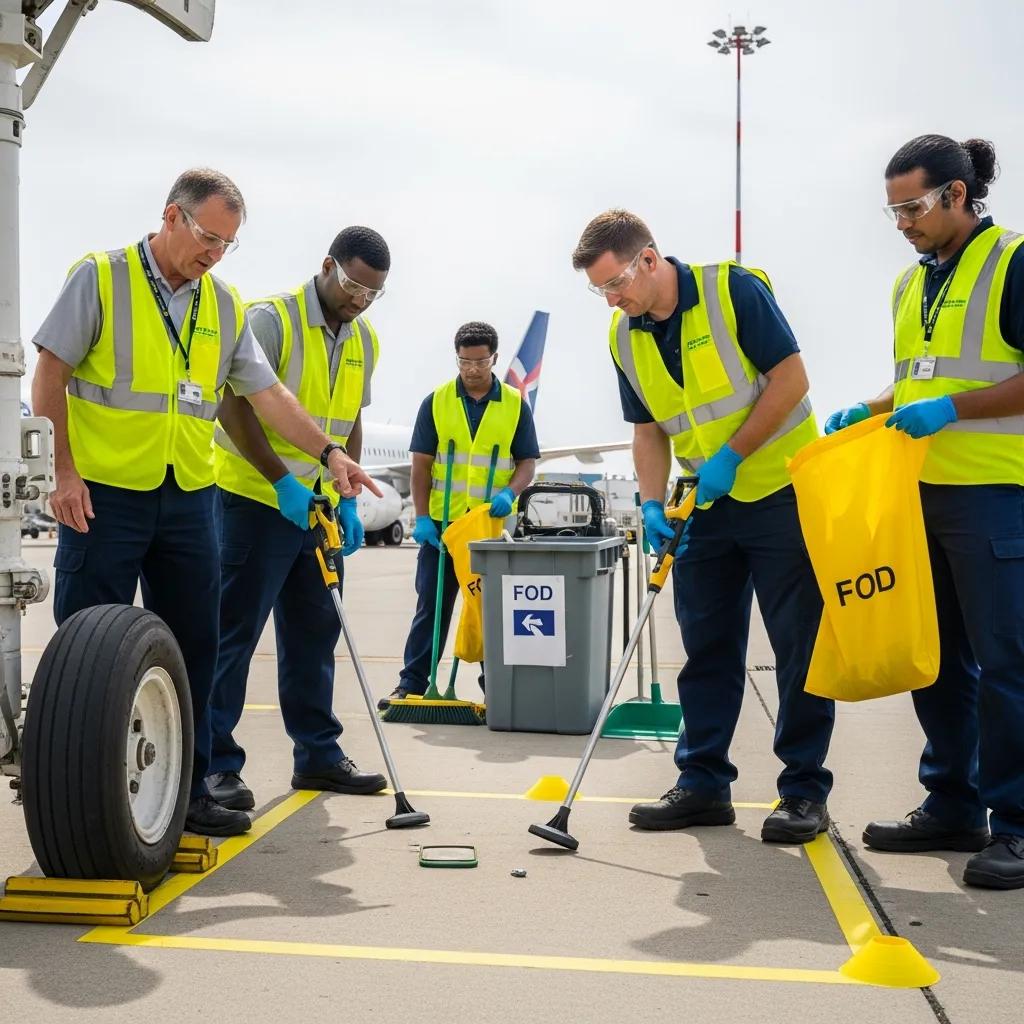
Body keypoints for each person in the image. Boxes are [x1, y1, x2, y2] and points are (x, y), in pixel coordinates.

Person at [30, 168, 380, 838]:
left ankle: (187, 794)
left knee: (193, 645)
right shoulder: (100, 278)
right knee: (91, 646)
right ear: (171, 216)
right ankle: (92, 799)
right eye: (208, 236)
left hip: (187, 498)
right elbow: (52, 371)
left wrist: (331, 454)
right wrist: (63, 471)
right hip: (105, 494)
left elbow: (268, 395)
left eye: (228, 244)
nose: (215, 253)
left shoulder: (221, 304)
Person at [571, 209, 833, 844]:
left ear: (650, 259)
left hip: (781, 491)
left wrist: (733, 456)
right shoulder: (623, 334)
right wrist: (652, 502)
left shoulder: (732, 291)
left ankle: (802, 791)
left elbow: (792, 380)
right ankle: (703, 782)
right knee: (707, 645)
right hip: (706, 507)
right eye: (599, 290)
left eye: (616, 283)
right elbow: (648, 428)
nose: (612, 299)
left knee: (799, 648)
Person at [826, 135, 1024, 889]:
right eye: (893, 209)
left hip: (998, 495)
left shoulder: (1013, 260)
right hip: (921, 495)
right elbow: (917, 382)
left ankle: (1017, 826)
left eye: (911, 206)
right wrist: (870, 408)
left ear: (956, 195)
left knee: (1008, 667)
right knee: (937, 661)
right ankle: (953, 803)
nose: (901, 221)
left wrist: (953, 410)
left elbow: (963, 389)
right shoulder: (912, 285)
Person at [206, 226, 392, 810]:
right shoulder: (271, 319)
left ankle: (318, 754)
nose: (360, 298)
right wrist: (282, 480)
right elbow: (230, 405)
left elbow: (349, 419)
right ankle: (213, 765)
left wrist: (347, 492)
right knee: (230, 636)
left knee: (316, 632)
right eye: (354, 284)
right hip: (252, 500)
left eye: (373, 292)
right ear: (328, 265)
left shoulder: (365, 338)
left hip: (317, 506)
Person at [381, 322, 538, 706]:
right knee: (432, 607)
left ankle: (496, 686)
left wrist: (510, 492)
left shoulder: (516, 405)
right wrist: (420, 518)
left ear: (494, 359)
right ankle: (413, 683)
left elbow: (527, 463)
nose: (471, 369)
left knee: (491, 609)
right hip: (443, 526)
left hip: (488, 527)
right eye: (464, 361)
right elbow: (420, 466)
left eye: (480, 362)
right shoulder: (435, 401)